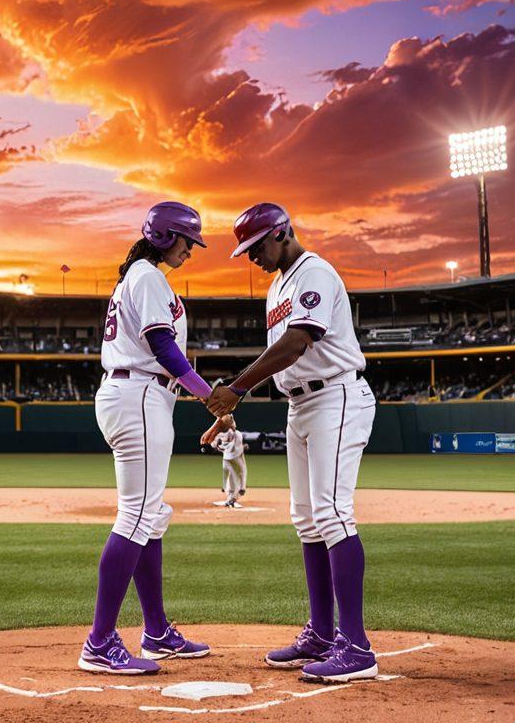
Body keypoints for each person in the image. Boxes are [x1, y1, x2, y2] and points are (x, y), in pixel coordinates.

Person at [204, 202, 378, 684]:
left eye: (256, 247)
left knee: (333, 513)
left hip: (336, 395)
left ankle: (356, 646)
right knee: (306, 520)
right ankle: (322, 632)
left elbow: (298, 343)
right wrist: (234, 400)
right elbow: (281, 359)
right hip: (299, 405)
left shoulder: (313, 272)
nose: (252, 258)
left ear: (282, 233)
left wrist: (237, 386)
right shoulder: (278, 286)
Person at [79, 202, 216, 675]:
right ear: (164, 237)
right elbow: (162, 346)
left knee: (150, 517)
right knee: (136, 516)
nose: (190, 251)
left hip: (145, 395)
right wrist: (208, 395)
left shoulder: (140, 277)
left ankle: (155, 630)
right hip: (138, 393)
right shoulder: (147, 276)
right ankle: (99, 642)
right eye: (186, 241)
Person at [205, 414, 247, 507]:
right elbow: (214, 443)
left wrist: (219, 446)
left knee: (234, 475)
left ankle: (232, 495)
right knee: (238, 474)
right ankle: (234, 495)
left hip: (231, 456)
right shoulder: (231, 433)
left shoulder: (232, 433)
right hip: (232, 457)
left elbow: (218, 444)